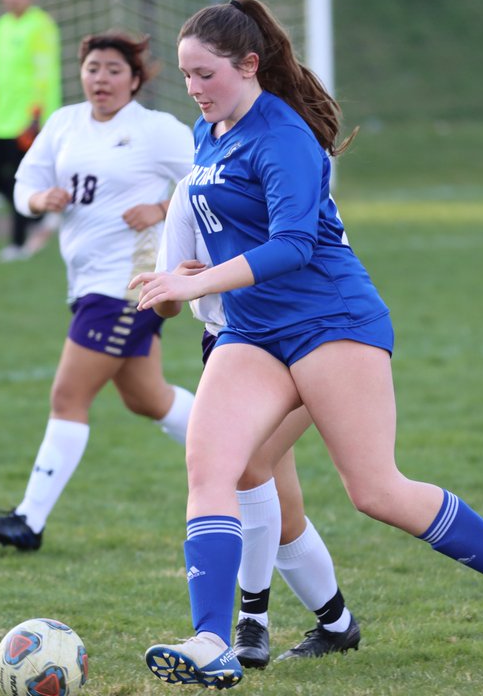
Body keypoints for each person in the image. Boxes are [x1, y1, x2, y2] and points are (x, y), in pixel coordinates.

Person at [131, 0, 483, 689]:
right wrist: (192, 273)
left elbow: (296, 244)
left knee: (375, 490)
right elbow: (238, 224)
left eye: (205, 74)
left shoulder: (283, 137)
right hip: (253, 330)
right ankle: (212, 640)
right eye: (185, 76)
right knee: (213, 468)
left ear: (249, 66)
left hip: (332, 320)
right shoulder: (209, 130)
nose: (194, 89)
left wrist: (200, 281)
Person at [0, 31, 195, 551]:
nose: (102, 78)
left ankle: (29, 521)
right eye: (93, 68)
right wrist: (38, 199)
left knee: (68, 396)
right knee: (146, 397)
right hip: (86, 281)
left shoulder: (157, 131)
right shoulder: (65, 123)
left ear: (135, 80)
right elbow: (25, 185)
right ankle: (238, 453)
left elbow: (214, 179)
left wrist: (161, 210)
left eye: (115, 69)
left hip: (127, 286)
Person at [155, 175, 361, 668]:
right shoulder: (191, 191)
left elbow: (327, 263)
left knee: (249, 465)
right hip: (231, 353)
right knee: (281, 512)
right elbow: (163, 300)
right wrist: (176, 287)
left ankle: (252, 622)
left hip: (310, 345)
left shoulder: (290, 177)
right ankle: (337, 624)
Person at [0, 0, 62, 263]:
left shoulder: (41, 24)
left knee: (21, 177)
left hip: (26, 117)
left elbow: (46, 73)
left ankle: (18, 244)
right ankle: (41, 212)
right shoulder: (1, 26)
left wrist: (36, 116)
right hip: (0, 116)